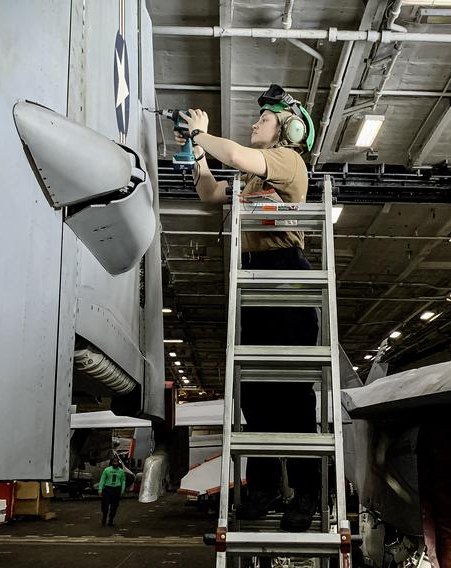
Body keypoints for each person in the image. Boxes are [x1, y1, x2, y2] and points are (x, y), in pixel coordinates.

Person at [176, 85, 320, 532]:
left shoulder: (287, 162)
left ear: (288, 128)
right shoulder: (254, 181)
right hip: (254, 278)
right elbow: (208, 193)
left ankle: (306, 495)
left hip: (286, 275)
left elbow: (236, 154)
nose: (256, 123)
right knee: (256, 397)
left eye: (265, 118)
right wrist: (197, 154)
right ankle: (262, 488)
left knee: (292, 398)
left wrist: (203, 134)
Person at [97, 457, 126, 527]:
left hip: (116, 489)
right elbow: (102, 480)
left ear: (118, 463)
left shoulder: (121, 471)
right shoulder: (107, 470)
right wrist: (100, 489)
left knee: (114, 506)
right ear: (111, 463)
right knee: (105, 505)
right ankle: (104, 516)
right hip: (107, 489)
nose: (115, 463)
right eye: (114, 462)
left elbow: (123, 481)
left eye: (116, 462)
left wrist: (122, 490)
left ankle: (111, 520)